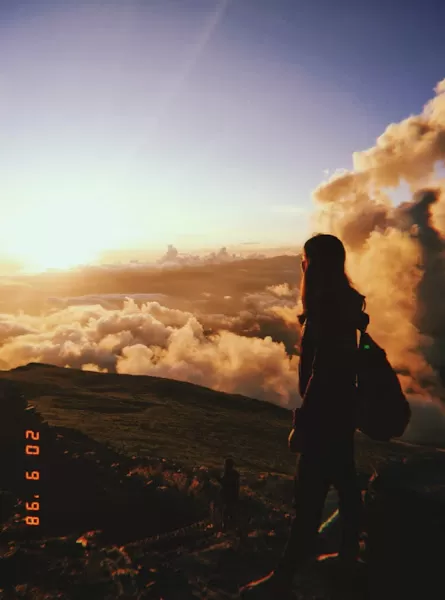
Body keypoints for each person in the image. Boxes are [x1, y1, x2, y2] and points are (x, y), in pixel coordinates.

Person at [240, 234, 369, 598]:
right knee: (345, 483)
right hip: (344, 410)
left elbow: (322, 372)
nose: (302, 266)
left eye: (304, 260)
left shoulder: (326, 309)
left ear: (313, 264)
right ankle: (347, 557)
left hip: (325, 415)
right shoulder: (346, 305)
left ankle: (283, 579)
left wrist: (302, 423)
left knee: (309, 499)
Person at [219, 457, 240, 531]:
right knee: (228, 511)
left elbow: (226, 484)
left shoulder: (229, 474)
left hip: (229, 495)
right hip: (229, 495)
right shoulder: (232, 474)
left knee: (227, 511)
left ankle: (226, 527)